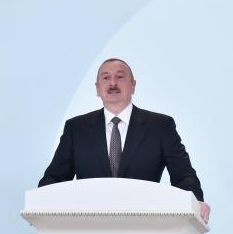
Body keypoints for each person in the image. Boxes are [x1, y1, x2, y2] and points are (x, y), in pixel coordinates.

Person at [38, 58, 210, 223]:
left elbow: (183, 176)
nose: (113, 83)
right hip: (89, 224)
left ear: (133, 85)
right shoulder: (76, 128)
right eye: (106, 78)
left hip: (145, 223)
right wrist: (40, 203)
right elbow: (55, 178)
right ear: (97, 88)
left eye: (120, 77)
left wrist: (195, 201)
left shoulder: (160, 126)